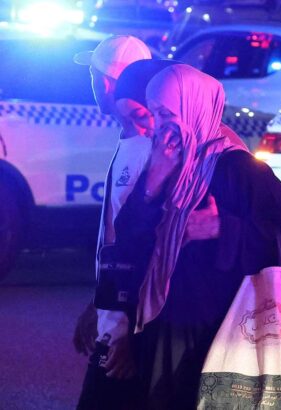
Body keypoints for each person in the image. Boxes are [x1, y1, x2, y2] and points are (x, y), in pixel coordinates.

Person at [111, 64, 281, 409]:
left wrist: (222, 228)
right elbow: (128, 238)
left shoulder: (237, 167)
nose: (157, 125)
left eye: (166, 113)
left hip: (215, 328)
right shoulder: (169, 160)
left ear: (192, 108)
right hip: (162, 321)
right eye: (154, 113)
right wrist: (154, 180)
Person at [71, 35, 153, 410]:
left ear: (105, 82)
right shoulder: (130, 140)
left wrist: (134, 336)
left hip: (127, 339)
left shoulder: (151, 150)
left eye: (92, 75)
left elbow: (151, 248)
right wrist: (98, 305)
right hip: (116, 329)